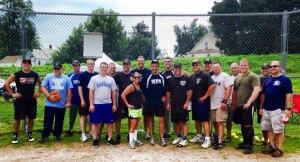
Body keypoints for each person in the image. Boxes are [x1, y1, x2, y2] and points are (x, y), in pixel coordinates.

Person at [259, 60, 293, 158]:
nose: (273, 68)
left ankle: (279, 149)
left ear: (280, 67)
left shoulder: (285, 79)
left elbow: (289, 94)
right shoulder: (268, 80)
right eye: (271, 66)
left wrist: (288, 108)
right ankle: (272, 146)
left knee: (278, 130)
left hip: (278, 109)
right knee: (269, 128)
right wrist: (261, 107)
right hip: (266, 109)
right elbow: (263, 94)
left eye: (275, 66)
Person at [4, 58, 42, 144]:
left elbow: (41, 84)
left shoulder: (35, 75)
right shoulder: (17, 74)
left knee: (31, 118)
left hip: (31, 100)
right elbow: (6, 83)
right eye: (25, 63)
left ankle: (30, 134)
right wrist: (13, 94)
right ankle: (15, 135)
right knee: (17, 118)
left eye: (28, 63)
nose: (26, 65)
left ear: (31, 65)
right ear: (22, 64)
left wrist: (38, 93)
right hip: (20, 100)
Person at [39, 62, 72, 143]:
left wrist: (68, 102)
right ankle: (45, 135)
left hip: (61, 104)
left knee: (59, 121)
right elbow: (42, 87)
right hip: (49, 103)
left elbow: (69, 90)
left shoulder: (66, 78)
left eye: (58, 68)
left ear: (62, 69)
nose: (56, 70)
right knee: (48, 120)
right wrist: (48, 95)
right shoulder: (49, 76)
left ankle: (57, 134)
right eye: (55, 68)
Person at [232, 59, 260, 154]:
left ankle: (249, 146)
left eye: (245, 65)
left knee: (248, 124)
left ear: (248, 65)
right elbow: (234, 92)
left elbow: (256, 90)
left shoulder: (253, 76)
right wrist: (234, 105)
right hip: (239, 105)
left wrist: (249, 102)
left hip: (248, 105)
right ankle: (244, 143)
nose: (243, 67)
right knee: (243, 124)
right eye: (241, 65)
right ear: (239, 66)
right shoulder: (237, 78)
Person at [88, 62, 118, 148]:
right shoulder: (94, 78)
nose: (104, 69)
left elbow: (114, 93)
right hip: (97, 103)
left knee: (110, 122)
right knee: (95, 122)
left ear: (108, 68)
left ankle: (109, 139)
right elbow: (91, 92)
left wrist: (114, 105)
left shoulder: (111, 79)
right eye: (102, 67)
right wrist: (91, 104)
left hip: (108, 103)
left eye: (105, 67)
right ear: (99, 68)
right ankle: (95, 139)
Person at [190, 59, 215, 148]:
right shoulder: (192, 76)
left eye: (197, 65)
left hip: (203, 102)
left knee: (205, 120)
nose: (195, 66)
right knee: (196, 119)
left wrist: (205, 96)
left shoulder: (205, 75)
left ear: (200, 66)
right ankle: (199, 136)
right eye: (193, 65)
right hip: (195, 102)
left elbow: (212, 85)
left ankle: (207, 139)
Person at [141, 60, 167, 146]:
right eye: (153, 66)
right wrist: (145, 99)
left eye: (156, 66)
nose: (154, 67)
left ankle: (161, 138)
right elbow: (142, 89)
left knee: (161, 119)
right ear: (151, 67)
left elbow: (166, 89)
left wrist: (165, 97)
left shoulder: (162, 77)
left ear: (158, 67)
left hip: (159, 102)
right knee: (150, 119)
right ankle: (152, 137)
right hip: (150, 102)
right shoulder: (147, 77)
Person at [166, 63, 192, 147]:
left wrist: (187, 102)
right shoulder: (170, 80)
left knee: (184, 121)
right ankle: (178, 137)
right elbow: (168, 92)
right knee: (176, 121)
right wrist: (168, 103)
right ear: (173, 68)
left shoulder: (186, 79)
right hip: (174, 104)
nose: (177, 69)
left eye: (179, 68)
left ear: (181, 68)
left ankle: (184, 139)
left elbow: (190, 91)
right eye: (176, 68)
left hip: (183, 104)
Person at [210, 62, 232, 150]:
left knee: (220, 122)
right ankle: (217, 138)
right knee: (215, 122)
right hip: (213, 103)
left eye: (217, 67)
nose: (215, 68)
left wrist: (224, 101)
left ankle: (220, 141)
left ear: (220, 67)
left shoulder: (225, 76)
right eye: (214, 67)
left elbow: (229, 88)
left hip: (221, 103)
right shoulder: (212, 77)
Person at [121, 72, 144, 149]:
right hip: (133, 109)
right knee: (133, 125)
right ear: (133, 78)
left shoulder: (139, 86)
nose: (137, 78)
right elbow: (122, 95)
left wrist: (142, 104)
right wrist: (127, 104)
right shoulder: (131, 86)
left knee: (136, 125)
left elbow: (140, 97)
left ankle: (135, 139)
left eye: (138, 77)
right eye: (135, 77)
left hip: (139, 108)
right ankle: (131, 141)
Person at [131, 56, 151, 140]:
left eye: (142, 61)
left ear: (144, 62)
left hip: (145, 96)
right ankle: (133, 133)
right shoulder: (133, 72)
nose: (140, 63)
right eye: (139, 61)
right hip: (135, 97)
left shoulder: (148, 71)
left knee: (146, 115)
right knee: (134, 117)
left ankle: (146, 132)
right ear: (137, 61)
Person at [114, 59, 133, 144]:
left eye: (127, 64)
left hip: (131, 101)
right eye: (124, 64)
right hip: (121, 101)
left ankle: (130, 135)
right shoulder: (118, 76)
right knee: (118, 119)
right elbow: (113, 88)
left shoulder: (133, 76)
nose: (125, 66)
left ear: (130, 65)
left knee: (130, 118)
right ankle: (118, 135)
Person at [78, 59, 98, 141]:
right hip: (85, 98)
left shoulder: (96, 75)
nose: (90, 65)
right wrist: (82, 99)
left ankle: (90, 132)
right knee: (83, 116)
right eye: (89, 64)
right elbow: (79, 87)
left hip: (94, 100)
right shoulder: (83, 75)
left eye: (91, 64)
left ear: (94, 65)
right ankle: (83, 133)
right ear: (86, 65)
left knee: (92, 116)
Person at [254, 63, 271, 145]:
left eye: (266, 68)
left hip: (269, 104)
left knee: (270, 123)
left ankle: (272, 140)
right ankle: (265, 140)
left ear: (269, 69)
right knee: (262, 122)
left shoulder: (271, 78)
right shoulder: (258, 79)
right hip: (259, 104)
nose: (264, 70)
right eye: (263, 68)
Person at [64, 60, 81, 137]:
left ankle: (85, 131)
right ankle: (70, 130)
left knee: (83, 116)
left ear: (79, 66)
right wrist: (68, 98)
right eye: (74, 66)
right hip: (73, 100)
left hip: (81, 100)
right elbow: (66, 88)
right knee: (72, 116)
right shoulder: (69, 76)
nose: (75, 67)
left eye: (76, 65)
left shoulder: (83, 75)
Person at [225, 62, 240, 142]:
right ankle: (228, 135)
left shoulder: (242, 77)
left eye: (235, 67)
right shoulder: (229, 78)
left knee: (243, 121)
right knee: (228, 120)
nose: (234, 69)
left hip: (240, 102)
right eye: (232, 68)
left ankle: (245, 136)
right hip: (230, 102)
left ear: (238, 68)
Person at [160, 56, 175, 138]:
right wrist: (163, 96)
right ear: (164, 63)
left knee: (176, 114)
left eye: (169, 61)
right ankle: (167, 131)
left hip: (175, 97)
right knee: (166, 115)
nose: (167, 63)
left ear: (171, 62)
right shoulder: (161, 74)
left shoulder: (175, 72)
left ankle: (177, 132)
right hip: (166, 97)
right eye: (166, 61)